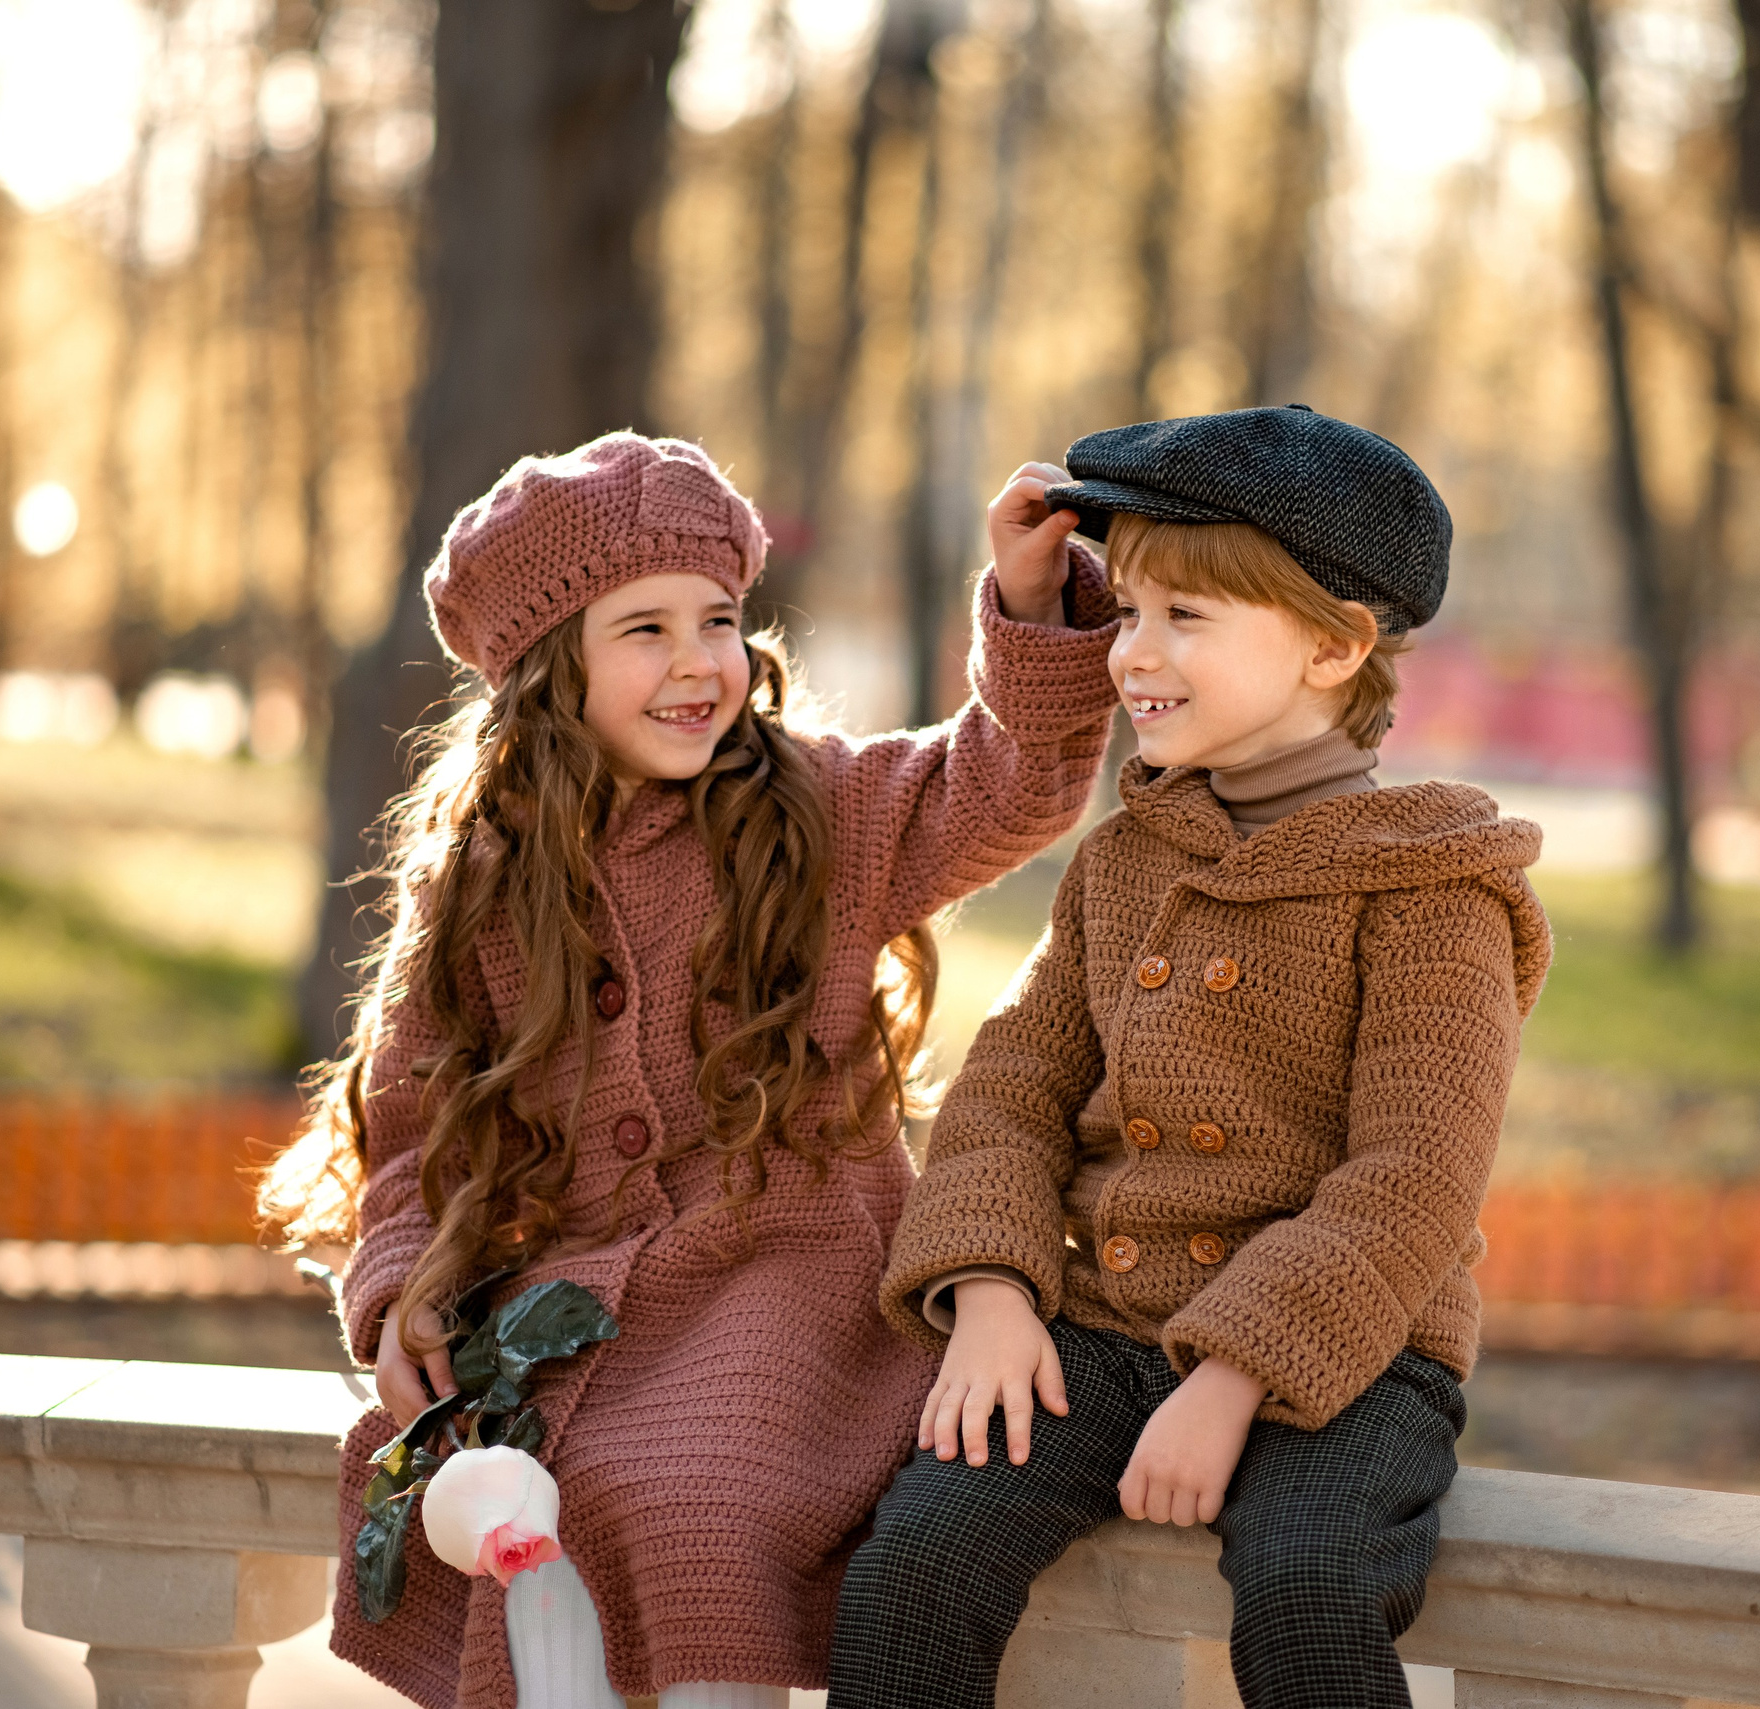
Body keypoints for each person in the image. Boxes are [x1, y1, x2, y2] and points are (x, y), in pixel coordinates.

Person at [259, 432, 1122, 1709]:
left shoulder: (817, 811)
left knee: (691, 1512)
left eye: (718, 621)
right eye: (645, 629)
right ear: (550, 670)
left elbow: (1002, 788)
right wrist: (398, 1292)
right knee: (516, 1500)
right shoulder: (481, 875)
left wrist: (1031, 608)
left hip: (790, 1283)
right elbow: (409, 1106)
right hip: (572, 1288)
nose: (697, 663)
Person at [828, 406, 1554, 1709]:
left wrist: (1234, 1381)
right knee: (914, 1566)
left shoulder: (1433, 891)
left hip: (1353, 1345)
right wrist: (991, 1287)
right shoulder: (1128, 860)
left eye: (1187, 621)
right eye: (1132, 611)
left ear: (1334, 648)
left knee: (1305, 1589)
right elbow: (1011, 1088)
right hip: (1102, 1319)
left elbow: (1412, 1182)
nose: (1135, 657)